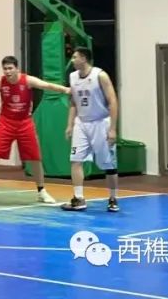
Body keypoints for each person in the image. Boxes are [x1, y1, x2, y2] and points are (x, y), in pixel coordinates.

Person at [0, 56, 68, 205]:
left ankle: (41, 191)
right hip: (6, 122)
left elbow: (47, 85)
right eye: (5, 69)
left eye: (10, 68)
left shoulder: (28, 80)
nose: (7, 71)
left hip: (25, 123)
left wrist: (66, 90)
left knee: (35, 157)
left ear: (17, 69)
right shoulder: (0, 83)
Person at [61, 47, 121, 213]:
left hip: (101, 122)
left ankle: (113, 198)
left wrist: (113, 128)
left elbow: (113, 101)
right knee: (75, 159)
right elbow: (73, 102)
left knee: (109, 164)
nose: (72, 60)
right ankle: (79, 198)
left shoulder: (100, 75)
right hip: (82, 123)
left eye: (75, 57)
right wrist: (70, 124)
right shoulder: (73, 76)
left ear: (84, 58)